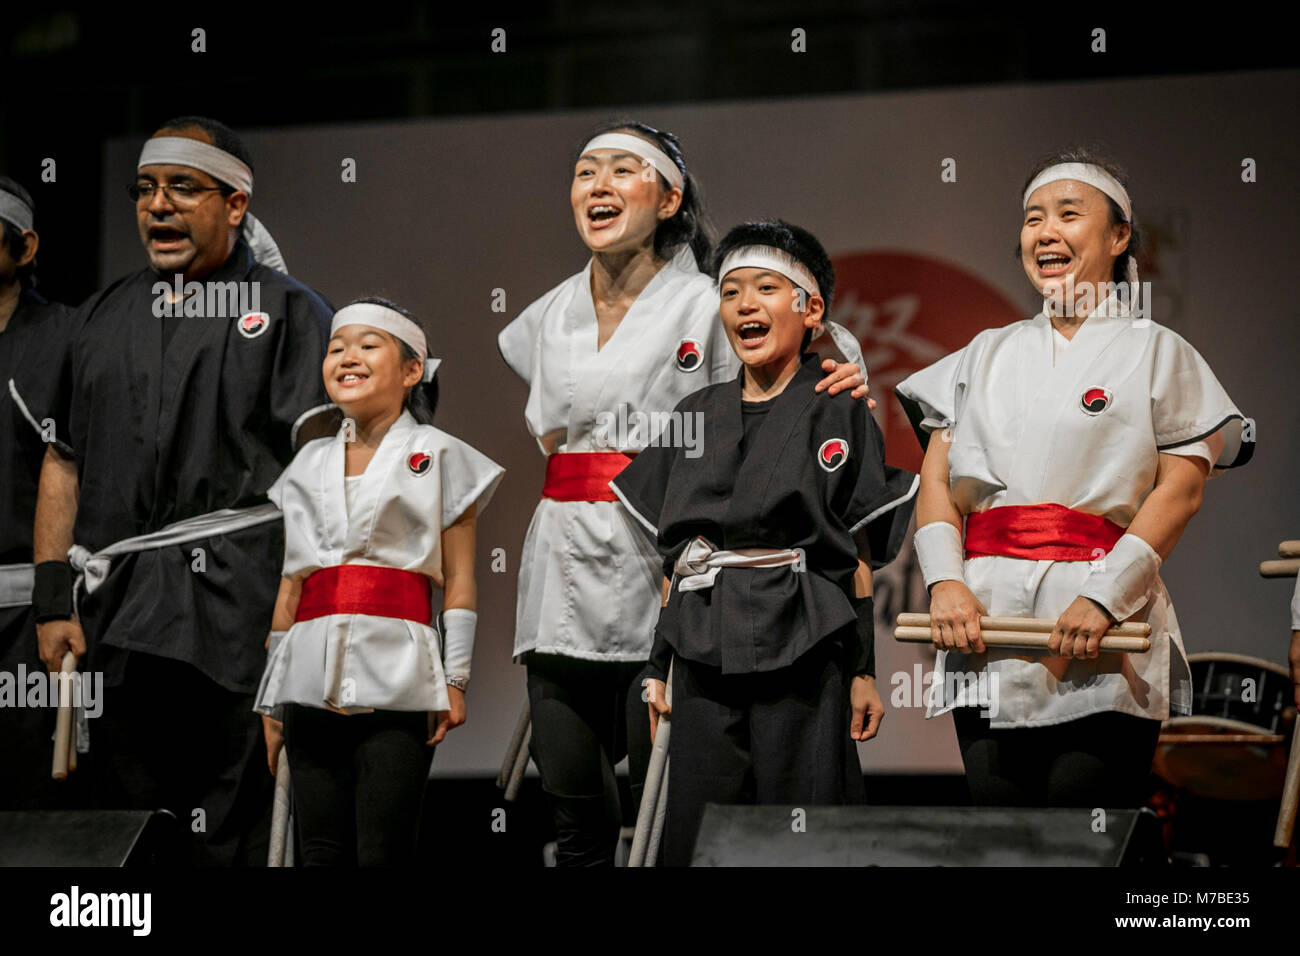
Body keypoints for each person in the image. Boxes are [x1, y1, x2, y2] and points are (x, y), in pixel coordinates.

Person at [497, 121, 871, 866]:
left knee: (662, 801)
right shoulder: (547, 314)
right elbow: (551, 442)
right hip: (563, 558)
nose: (598, 186)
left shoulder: (709, 299)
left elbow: (809, 351)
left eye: (621, 172)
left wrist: (845, 368)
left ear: (669, 198)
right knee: (573, 805)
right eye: (585, 172)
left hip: (663, 564)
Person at [18, 116, 335, 863]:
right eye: (145, 190)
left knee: (237, 820)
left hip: (242, 611)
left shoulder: (289, 312)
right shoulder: (99, 319)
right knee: (133, 827)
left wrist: (299, 614)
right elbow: (62, 461)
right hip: (118, 615)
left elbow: (325, 478)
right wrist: (52, 598)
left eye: (182, 189)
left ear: (235, 204)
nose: (157, 206)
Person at [895, 148, 1253, 808]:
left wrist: (1106, 597)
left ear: (1119, 237)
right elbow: (938, 481)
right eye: (1034, 218)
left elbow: (1181, 488)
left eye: (1069, 213)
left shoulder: (1156, 352)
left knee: (1082, 838)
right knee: (1002, 839)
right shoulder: (985, 353)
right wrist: (946, 582)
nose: (1046, 231)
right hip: (989, 621)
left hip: (1100, 622)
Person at [611, 220, 917, 866]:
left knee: (803, 830)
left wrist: (864, 669)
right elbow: (678, 559)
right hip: (701, 646)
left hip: (803, 643)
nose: (745, 304)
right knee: (700, 830)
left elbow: (855, 554)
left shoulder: (837, 406)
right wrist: (658, 661)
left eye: (766, 289)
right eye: (731, 292)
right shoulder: (695, 414)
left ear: (811, 311)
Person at [255, 298, 503, 866]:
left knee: (383, 852)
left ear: (412, 371)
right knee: (318, 849)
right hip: (308, 673)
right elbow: (291, 588)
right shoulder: (307, 465)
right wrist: (271, 699)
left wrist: (457, 679)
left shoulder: (441, 456)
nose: (347, 357)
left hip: (400, 673)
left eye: (369, 345)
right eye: (337, 347)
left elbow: (461, 580)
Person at [0, 176, 73, 809]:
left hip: (29, 614)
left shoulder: (69, 340)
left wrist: (56, 605)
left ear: (23, 248)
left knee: (33, 808)